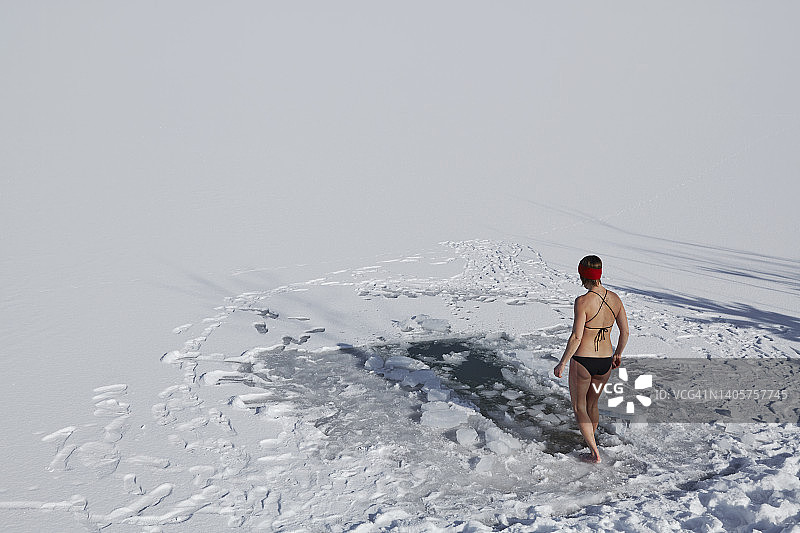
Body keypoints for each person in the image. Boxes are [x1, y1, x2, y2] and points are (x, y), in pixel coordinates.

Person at [553, 255, 629, 463]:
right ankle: (590, 440)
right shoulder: (615, 299)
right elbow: (625, 332)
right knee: (592, 404)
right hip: (605, 362)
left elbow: (577, 337)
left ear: (583, 275)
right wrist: (618, 353)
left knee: (579, 407)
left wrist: (563, 362)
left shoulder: (583, 301)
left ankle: (594, 453)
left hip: (584, 362)